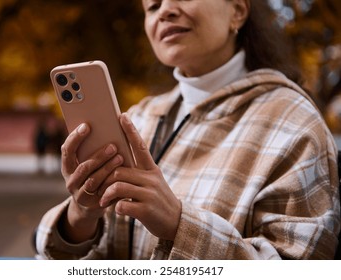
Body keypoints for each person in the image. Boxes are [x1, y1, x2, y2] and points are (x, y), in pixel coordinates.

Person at [35, 0, 340, 259]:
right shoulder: (139, 117)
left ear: (237, 10)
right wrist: (80, 216)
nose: (165, 10)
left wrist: (178, 224)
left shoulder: (294, 123)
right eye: (152, 6)